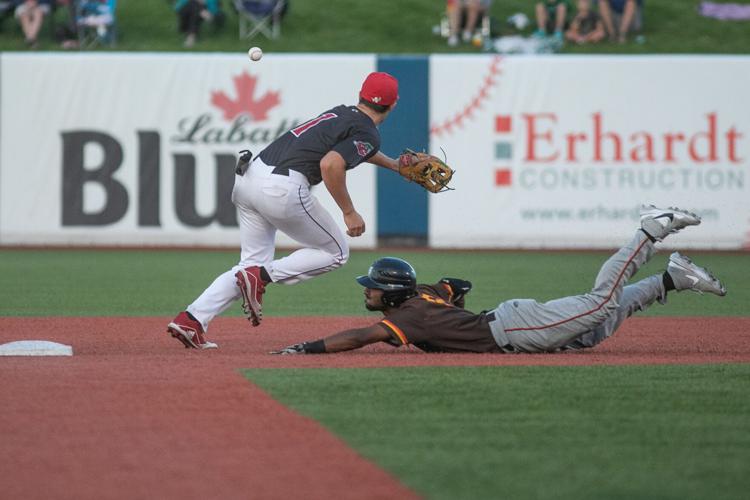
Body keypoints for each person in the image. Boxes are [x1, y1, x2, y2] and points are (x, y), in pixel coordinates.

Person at [272, 205, 727, 355]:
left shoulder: (409, 317)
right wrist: (452, 299)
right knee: (594, 330)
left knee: (599, 303)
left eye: (371, 285)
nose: (366, 290)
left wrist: (307, 347)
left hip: (509, 330)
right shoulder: (425, 296)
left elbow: (361, 336)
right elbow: (456, 283)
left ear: (391, 292)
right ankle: (671, 280)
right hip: (509, 322)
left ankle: (649, 229)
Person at [167, 72, 404, 349]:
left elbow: (353, 150)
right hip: (281, 187)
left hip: (249, 178)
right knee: (336, 252)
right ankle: (261, 276)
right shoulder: (368, 133)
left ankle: (192, 319)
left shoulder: (341, 114)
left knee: (249, 264)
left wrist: (395, 165)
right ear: (394, 104)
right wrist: (348, 211)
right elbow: (331, 165)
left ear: (361, 95)